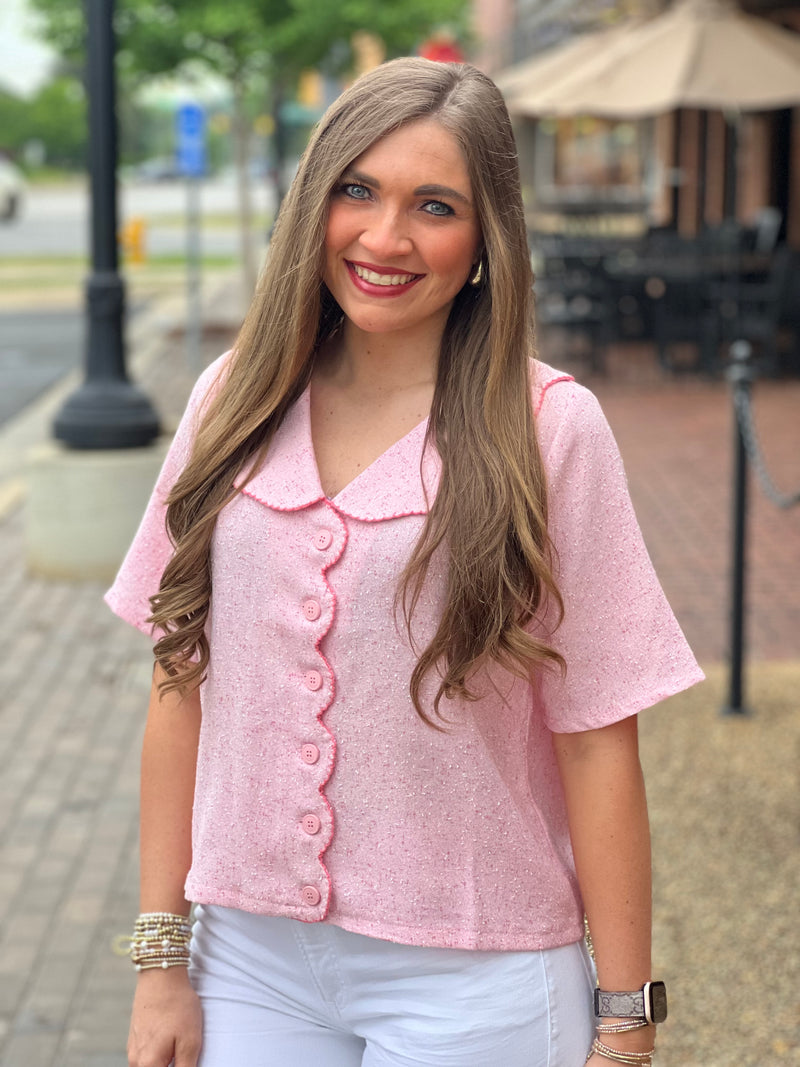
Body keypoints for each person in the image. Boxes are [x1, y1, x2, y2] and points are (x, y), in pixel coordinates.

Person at [107, 57, 703, 1067]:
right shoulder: (232, 398)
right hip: (249, 958)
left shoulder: (546, 428)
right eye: (357, 191)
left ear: (485, 240)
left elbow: (597, 734)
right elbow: (179, 676)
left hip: (476, 978)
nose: (384, 239)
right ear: (313, 202)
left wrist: (624, 1012)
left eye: (434, 206)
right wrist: (162, 958)